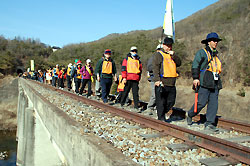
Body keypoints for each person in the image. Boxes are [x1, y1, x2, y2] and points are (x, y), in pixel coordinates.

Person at [186, 32, 223, 132]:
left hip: (215, 82)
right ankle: (190, 114)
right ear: (208, 42)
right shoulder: (202, 53)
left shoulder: (216, 55)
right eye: (213, 41)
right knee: (201, 103)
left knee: (213, 103)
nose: (215, 42)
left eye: (216, 41)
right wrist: (195, 78)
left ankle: (209, 123)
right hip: (204, 81)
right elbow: (195, 65)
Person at [153, 37, 181, 122]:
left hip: (172, 82)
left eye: (170, 45)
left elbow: (179, 63)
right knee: (161, 101)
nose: (169, 47)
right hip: (162, 82)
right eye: (167, 45)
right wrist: (157, 80)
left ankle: (162, 113)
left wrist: (174, 55)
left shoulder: (172, 55)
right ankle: (161, 119)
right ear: (163, 45)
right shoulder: (159, 55)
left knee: (170, 101)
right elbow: (155, 68)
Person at [120, 46, 142, 110]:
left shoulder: (138, 60)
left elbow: (140, 70)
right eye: (133, 51)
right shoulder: (126, 59)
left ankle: (136, 106)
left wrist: (139, 78)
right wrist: (124, 77)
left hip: (135, 79)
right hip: (128, 78)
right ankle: (122, 103)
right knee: (126, 91)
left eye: (135, 51)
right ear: (130, 51)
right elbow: (124, 69)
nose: (134, 52)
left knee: (135, 93)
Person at [145, 44, 163, 115]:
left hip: (162, 78)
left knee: (161, 94)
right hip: (154, 78)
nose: (160, 51)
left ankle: (157, 108)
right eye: (159, 49)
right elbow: (149, 67)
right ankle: (150, 107)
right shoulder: (153, 58)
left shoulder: (164, 57)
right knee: (154, 94)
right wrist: (156, 69)